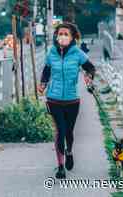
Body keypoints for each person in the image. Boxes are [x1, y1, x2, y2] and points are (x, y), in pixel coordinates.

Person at [37, 22, 96, 179]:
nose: (62, 36)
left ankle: (69, 151)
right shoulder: (51, 53)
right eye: (60, 33)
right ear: (56, 36)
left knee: (69, 131)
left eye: (66, 34)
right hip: (54, 99)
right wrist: (43, 84)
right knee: (60, 131)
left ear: (72, 37)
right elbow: (46, 70)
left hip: (72, 99)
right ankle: (60, 166)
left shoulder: (77, 53)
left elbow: (90, 68)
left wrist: (89, 77)